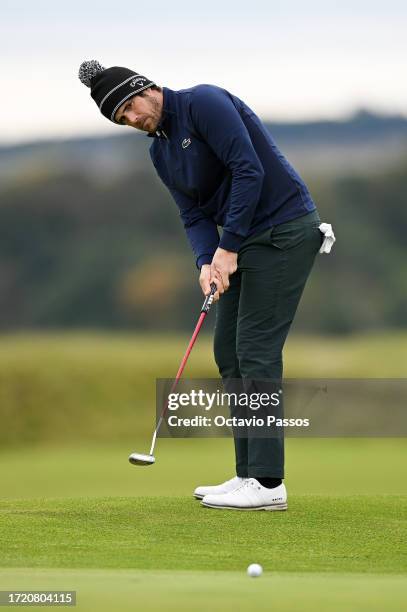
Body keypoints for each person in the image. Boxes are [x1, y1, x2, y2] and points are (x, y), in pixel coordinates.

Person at [78, 60, 335, 511]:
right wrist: (205, 260)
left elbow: (248, 170)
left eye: (131, 107)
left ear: (149, 88)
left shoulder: (205, 102)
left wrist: (228, 246)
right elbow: (192, 213)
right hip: (243, 242)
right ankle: (248, 475)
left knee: (255, 350)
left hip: (284, 230)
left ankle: (270, 483)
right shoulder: (160, 152)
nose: (133, 119)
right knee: (228, 353)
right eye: (122, 119)